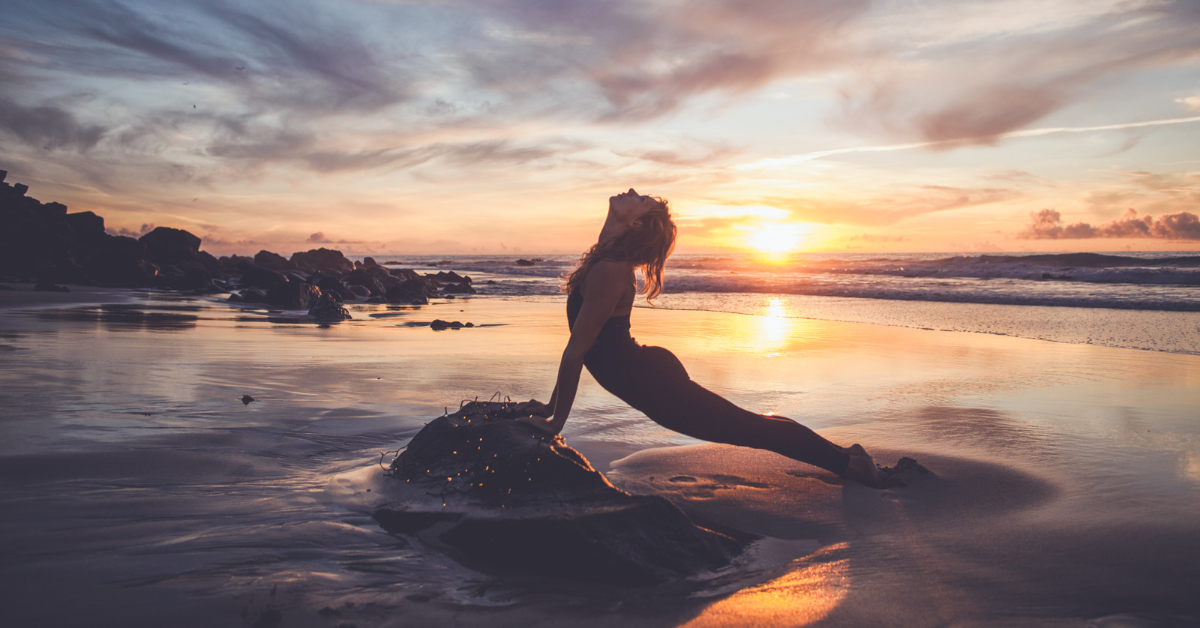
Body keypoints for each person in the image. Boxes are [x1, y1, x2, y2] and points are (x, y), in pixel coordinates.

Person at [517, 188, 892, 488]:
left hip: (652, 383)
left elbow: (578, 350)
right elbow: (583, 347)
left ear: (635, 223)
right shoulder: (606, 263)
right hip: (647, 374)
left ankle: (852, 465)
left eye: (641, 199)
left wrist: (554, 421)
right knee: (749, 425)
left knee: (750, 429)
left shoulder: (610, 271)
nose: (632, 191)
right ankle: (846, 456)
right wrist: (549, 408)